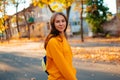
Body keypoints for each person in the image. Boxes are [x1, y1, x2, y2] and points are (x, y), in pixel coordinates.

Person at [44, 12, 77, 80]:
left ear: (66, 22)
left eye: (63, 21)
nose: (61, 24)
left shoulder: (63, 39)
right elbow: (62, 65)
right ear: (53, 24)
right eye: (57, 22)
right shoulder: (53, 42)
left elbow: (68, 62)